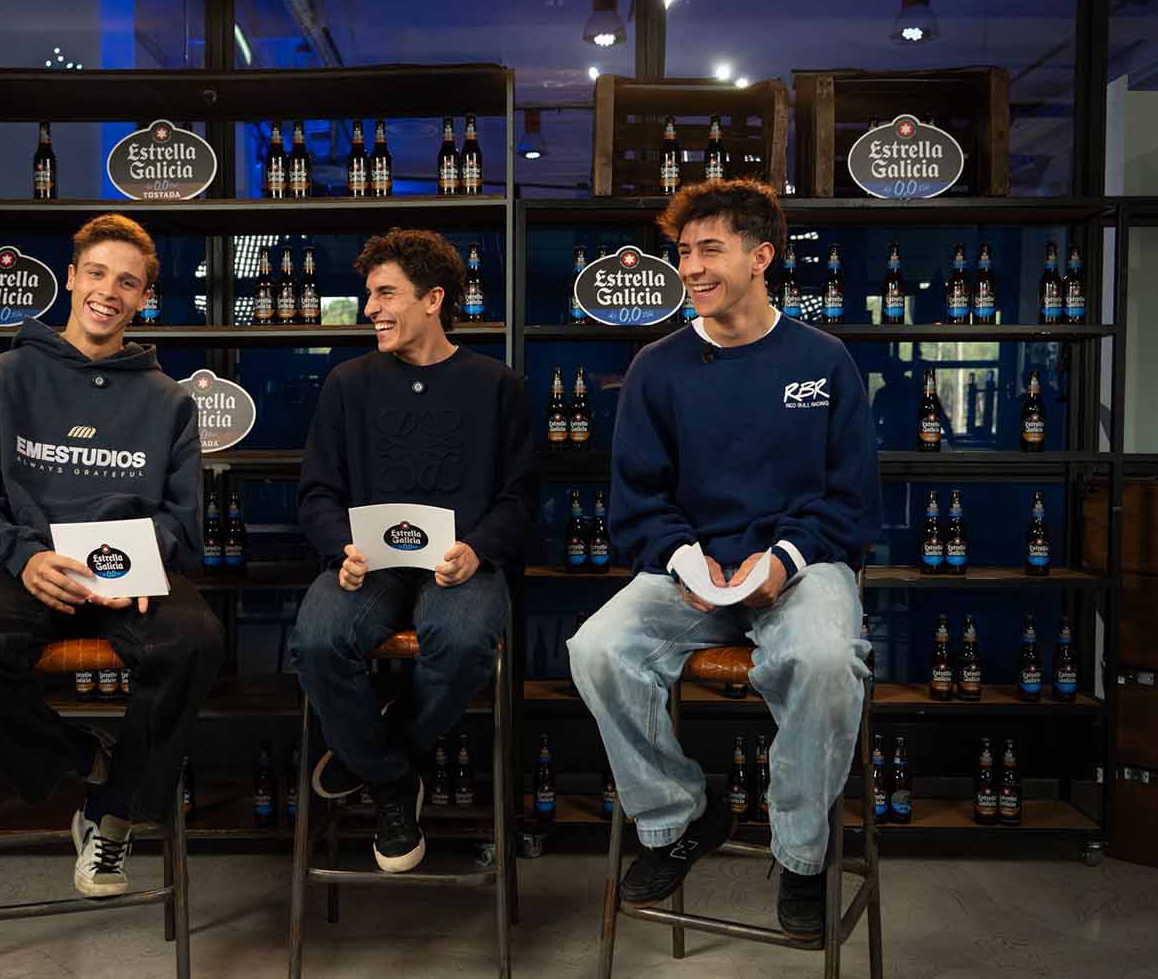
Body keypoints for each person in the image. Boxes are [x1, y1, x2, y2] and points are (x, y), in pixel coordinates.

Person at [568, 179, 880, 939]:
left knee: (823, 658)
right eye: (684, 252)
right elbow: (638, 500)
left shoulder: (823, 359)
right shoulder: (658, 366)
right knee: (597, 649)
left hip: (802, 567)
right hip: (692, 571)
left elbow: (851, 499)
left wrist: (783, 559)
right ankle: (678, 818)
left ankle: (801, 855)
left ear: (761, 256)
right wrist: (686, 560)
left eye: (710, 249)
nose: (692, 268)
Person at [0, 214, 223, 898]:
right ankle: (81, 757)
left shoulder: (168, 402)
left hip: (125, 570)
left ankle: (113, 813)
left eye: (128, 282)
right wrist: (24, 556)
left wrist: (143, 562)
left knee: (195, 640)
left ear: (143, 298)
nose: (108, 292)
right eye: (97, 273)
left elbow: (182, 522)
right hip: (24, 568)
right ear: (70, 277)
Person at [291, 228, 535, 873]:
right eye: (369, 294)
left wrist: (479, 549)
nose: (370, 308)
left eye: (385, 294)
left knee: (462, 640)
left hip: (461, 565)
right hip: (368, 565)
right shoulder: (347, 383)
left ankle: (379, 746)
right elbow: (316, 492)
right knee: (317, 641)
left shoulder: (496, 385)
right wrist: (340, 546)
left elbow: (519, 498)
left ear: (433, 299)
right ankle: (395, 779)